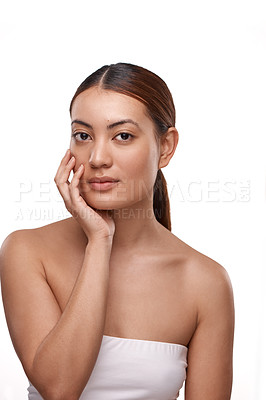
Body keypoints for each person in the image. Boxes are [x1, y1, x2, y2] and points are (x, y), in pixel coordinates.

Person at [0, 62, 235, 400]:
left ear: (166, 146)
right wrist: (99, 240)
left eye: (122, 136)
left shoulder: (205, 282)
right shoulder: (27, 251)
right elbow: (59, 389)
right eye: (83, 135)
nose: (97, 157)